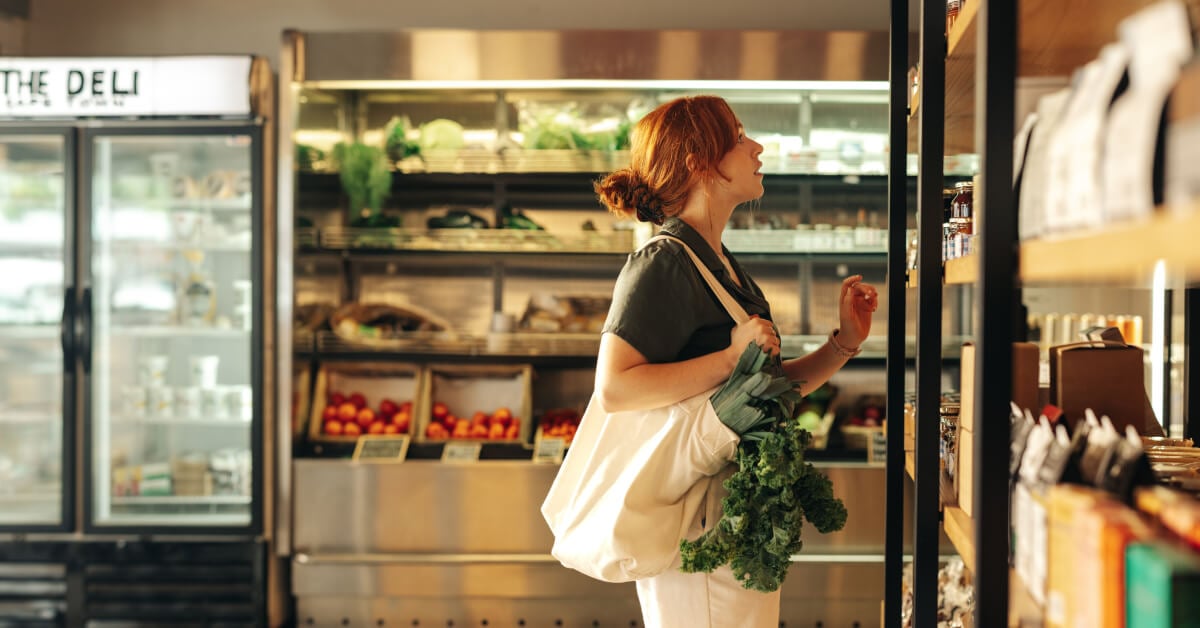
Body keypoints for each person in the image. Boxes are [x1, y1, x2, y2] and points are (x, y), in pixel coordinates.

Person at [593, 95, 879, 627]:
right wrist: (729, 357)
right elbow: (615, 388)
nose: (757, 147)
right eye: (740, 136)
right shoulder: (663, 261)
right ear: (702, 163)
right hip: (694, 523)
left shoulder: (718, 263)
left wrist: (842, 344)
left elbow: (763, 388)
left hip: (730, 516)